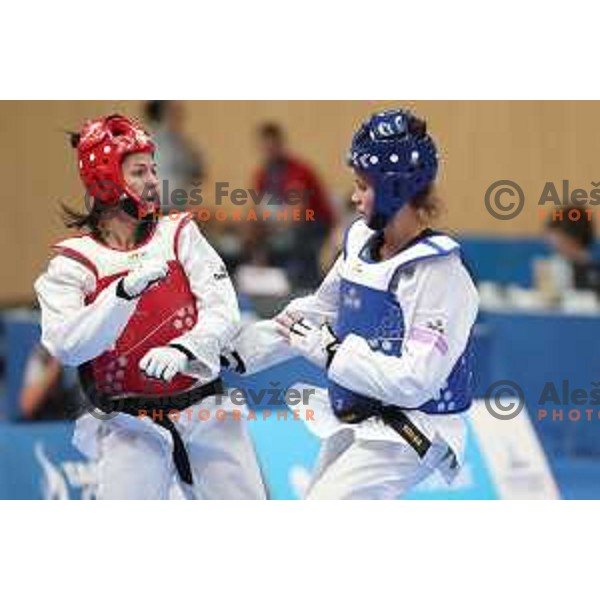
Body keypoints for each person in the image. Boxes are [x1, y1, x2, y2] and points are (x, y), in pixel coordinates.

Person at [222, 109, 479, 499]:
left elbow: (414, 382)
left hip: (414, 426)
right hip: (361, 411)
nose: (354, 198)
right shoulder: (360, 242)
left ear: (396, 189)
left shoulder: (438, 273)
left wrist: (332, 354)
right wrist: (237, 352)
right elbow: (320, 312)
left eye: (363, 186)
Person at [34, 114, 265, 500]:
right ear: (105, 181)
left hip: (206, 412)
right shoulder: (73, 265)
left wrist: (184, 348)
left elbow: (224, 311)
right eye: (139, 172)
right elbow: (67, 346)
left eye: (153, 170)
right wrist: (120, 295)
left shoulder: (179, 235)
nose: (153, 181)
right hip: (130, 427)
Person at [251, 122, 335, 288]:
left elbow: (296, 213)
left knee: (293, 239)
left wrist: (271, 227)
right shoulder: (262, 174)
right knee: (251, 232)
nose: (269, 151)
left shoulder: (298, 171)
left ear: (280, 144)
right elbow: (255, 210)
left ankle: (301, 286)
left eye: (272, 146)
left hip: (314, 223)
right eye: (265, 147)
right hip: (283, 224)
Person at [544, 206, 600, 295]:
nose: (556, 253)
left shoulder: (594, 273)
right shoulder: (555, 271)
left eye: (560, 247)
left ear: (575, 241)